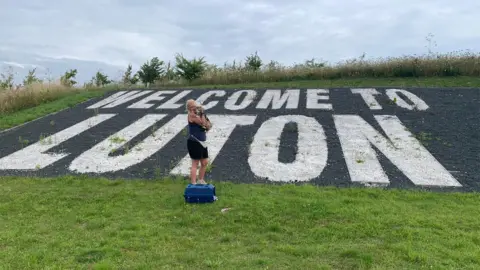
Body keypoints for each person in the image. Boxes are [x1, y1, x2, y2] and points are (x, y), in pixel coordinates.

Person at [185, 99, 212, 184]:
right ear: (189, 107)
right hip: (194, 142)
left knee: (204, 162)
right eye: (193, 106)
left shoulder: (198, 114)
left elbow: (208, 126)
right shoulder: (191, 115)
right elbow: (203, 123)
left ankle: (200, 179)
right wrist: (202, 113)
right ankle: (193, 183)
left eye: (195, 105)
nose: (195, 107)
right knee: (195, 163)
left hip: (202, 141)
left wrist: (203, 115)